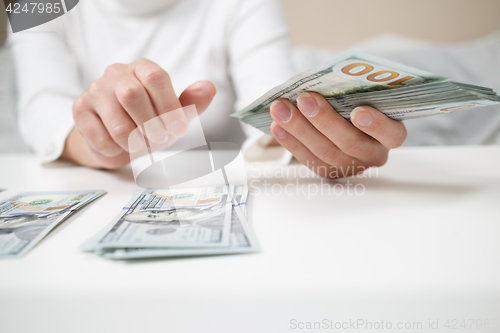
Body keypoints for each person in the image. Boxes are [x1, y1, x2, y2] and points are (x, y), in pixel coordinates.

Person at [9, 0, 406, 178]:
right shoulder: (34, 4)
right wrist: (100, 143)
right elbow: (42, 109)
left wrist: (308, 141)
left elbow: (269, 100)